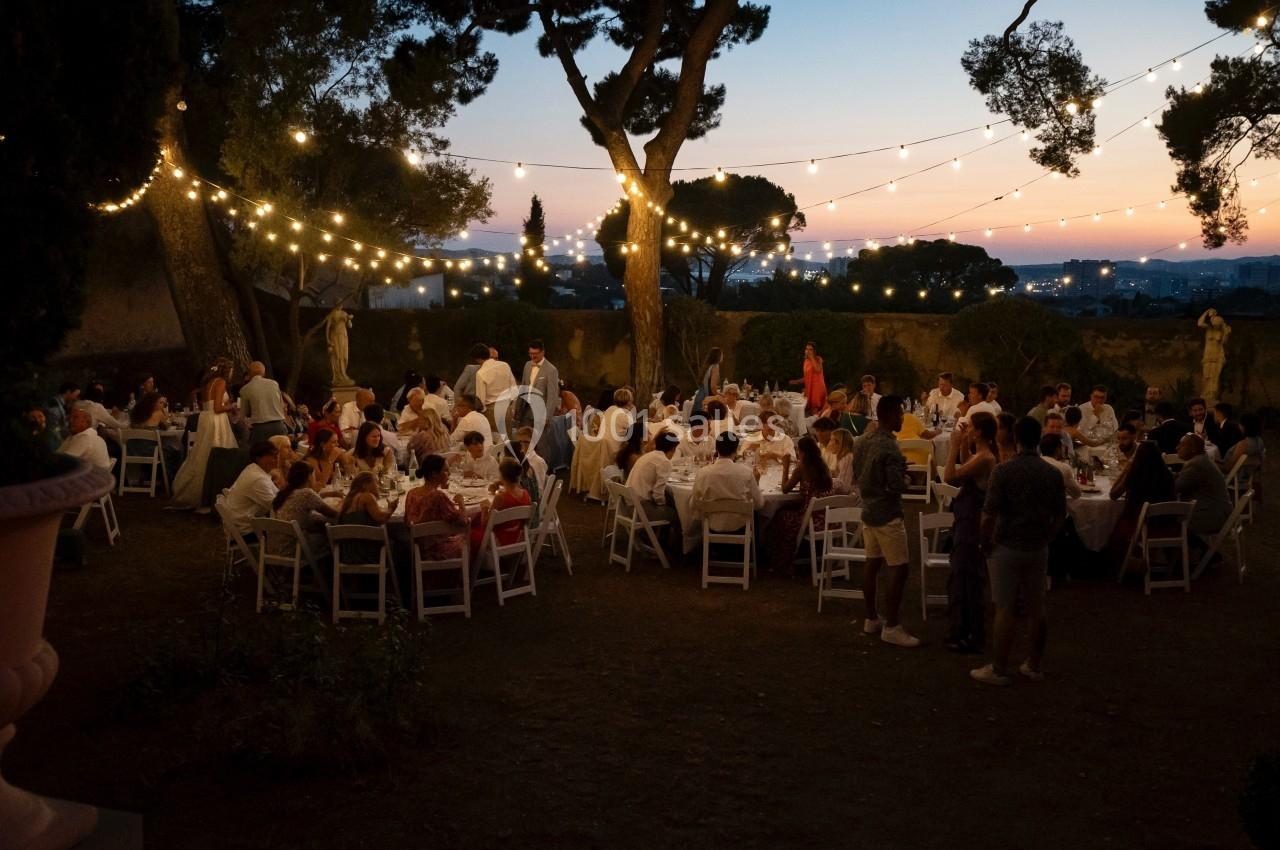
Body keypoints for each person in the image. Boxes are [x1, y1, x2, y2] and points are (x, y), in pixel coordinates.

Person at [971, 417, 1066, 686]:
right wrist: (1046, 537)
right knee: (1037, 607)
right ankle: (1034, 664)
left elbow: (988, 514)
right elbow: (1060, 515)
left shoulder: (1004, 471)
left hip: (1007, 545)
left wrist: (985, 541)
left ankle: (1000, 667)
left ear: (1015, 437)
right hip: (1037, 545)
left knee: (1004, 608)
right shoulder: (1052, 473)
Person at [850, 395, 919, 648]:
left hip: (868, 509)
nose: (903, 418)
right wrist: (908, 479)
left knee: (872, 564)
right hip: (888, 514)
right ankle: (892, 625)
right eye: (901, 414)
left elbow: (858, 472)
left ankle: (871, 618)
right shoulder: (889, 446)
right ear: (890, 415)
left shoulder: (862, 440)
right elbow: (896, 485)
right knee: (899, 568)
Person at [943, 412, 999, 654]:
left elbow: (951, 477)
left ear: (979, 431)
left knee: (966, 575)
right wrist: (965, 444)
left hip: (971, 521)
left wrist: (953, 447)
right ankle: (965, 629)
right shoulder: (982, 455)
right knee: (964, 573)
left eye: (971, 429)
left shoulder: (986, 458)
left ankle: (970, 632)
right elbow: (968, 466)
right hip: (967, 518)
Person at [171, 358, 240, 509]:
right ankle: (214, 491)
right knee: (218, 453)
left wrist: (225, 405)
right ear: (227, 370)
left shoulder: (208, 383)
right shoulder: (221, 382)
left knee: (202, 452)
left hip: (206, 418)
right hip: (216, 420)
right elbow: (217, 408)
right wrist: (232, 406)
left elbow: (209, 405)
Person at [766, 435, 835, 573]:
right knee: (784, 509)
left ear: (802, 452)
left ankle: (780, 560)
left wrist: (785, 466)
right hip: (828, 517)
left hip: (811, 520)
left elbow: (785, 489)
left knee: (778, 516)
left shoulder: (802, 468)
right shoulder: (823, 465)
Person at [1108, 441, 1176, 566]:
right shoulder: (1168, 476)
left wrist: (1127, 468)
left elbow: (1113, 494)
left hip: (1143, 525)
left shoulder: (1136, 474)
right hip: (1167, 526)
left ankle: (1132, 564)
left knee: (1111, 531)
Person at [691, 432, 764, 533]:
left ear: (716, 450)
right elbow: (759, 504)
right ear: (736, 451)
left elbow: (694, 504)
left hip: (711, 526)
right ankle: (754, 548)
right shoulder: (746, 473)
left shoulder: (703, 473)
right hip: (740, 526)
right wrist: (757, 482)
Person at [405, 454, 470, 563]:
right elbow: (463, 522)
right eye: (445, 471)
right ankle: (465, 577)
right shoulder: (438, 496)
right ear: (434, 474)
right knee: (469, 535)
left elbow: (407, 522)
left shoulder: (411, 493)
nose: (449, 474)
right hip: (438, 549)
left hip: (418, 547)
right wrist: (461, 503)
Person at [269, 460, 338, 555]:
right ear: (309, 477)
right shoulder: (306, 493)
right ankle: (334, 565)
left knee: (320, 524)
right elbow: (333, 514)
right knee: (332, 532)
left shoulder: (283, 494)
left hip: (276, 547)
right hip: (293, 549)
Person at [334, 471, 400, 564]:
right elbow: (381, 518)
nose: (378, 486)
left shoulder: (347, 500)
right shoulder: (366, 496)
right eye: (375, 483)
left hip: (347, 553)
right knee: (399, 543)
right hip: (365, 552)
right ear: (366, 484)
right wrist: (391, 508)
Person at [1175, 433, 1232, 536]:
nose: (1177, 448)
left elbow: (1176, 487)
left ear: (1193, 449)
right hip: (1217, 511)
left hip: (1211, 515)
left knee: (1168, 517)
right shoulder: (1201, 459)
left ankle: (1186, 549)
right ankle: (1193, 548)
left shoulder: (1196, 464)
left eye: (1181, 445)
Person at [221, 442, 280, 537]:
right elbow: (276, 506)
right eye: (272, 456)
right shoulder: (258, 479)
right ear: (258, 459)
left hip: (240, 521)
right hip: (246, 529)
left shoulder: (252, 468)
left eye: (276, 455)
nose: (276, 459)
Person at [474, 459, 532, 552]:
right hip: (517, 537)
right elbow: (525, 522)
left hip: (499, 540)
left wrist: (485, 508)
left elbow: (485, 525)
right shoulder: (526, 494)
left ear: (501, 476)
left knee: (471, 530)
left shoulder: (500, 498)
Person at [626, 431, 680, 527]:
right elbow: (658, 494)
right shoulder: (664, 461)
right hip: (641, 508)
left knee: (670, 502)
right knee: (678, 513)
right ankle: (668, 541)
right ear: (673, 449)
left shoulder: (648, 455)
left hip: (629, 503)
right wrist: (663, 504)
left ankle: (657, 538)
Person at [239, 361, 288, 444]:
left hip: (260, 429)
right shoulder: (274, 384)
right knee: (280, 455)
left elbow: (243, 414)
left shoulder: (245, 389)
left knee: (260, 455)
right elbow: (282, 405)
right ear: (264, 372)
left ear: (249, 373)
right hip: (278, 426)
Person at [1221, 412, 1265, 499]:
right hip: (1246, 477)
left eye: (1240, 423)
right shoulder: (1260, 441)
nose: (1239, 425)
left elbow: (1228, 468)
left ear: (1245, 426)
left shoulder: (1243, 444)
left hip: (1234, 478)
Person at [520, 338, 560, 427]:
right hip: (525, 411)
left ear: (542, 352)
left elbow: (552, 397)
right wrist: (518, 411)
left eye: (535, 354)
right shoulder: (527, 365)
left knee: (538, 440)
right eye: (530, 353)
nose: (532, 356)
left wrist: (547, 417)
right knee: (523, 439)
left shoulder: (551, 370)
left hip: (540, 414)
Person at [476, 347, 518, 428]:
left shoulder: (481, 372)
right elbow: (515, 390)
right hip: (506, 409)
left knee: (494, 439)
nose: (495, 360)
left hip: (492, 411)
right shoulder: (505, 365)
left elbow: (480, 400)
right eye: (492, 358)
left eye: (496, 358)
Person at [1039, 434, 1082, 499]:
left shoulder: (1033, 463)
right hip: (1054, 507)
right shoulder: (1063, 468)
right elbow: (1076, 494)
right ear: (1058, 449)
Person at [790, 341, 827, 415]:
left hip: (817, 388)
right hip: (810, 388)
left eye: (811, 349)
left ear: (814, 351)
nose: (808, 351)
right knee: (809, 411)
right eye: (807, 349)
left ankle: (815, 425)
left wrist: (811, 357)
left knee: (815, 411)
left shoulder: (818, 359)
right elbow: (808, 377)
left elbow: (818, 369)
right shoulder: (806, 361)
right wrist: (797, 381)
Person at [455, 344, 489, 412]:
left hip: (485, 408)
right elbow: (458, 388)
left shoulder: (493, 371)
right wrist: (458, 406)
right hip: (469, 407)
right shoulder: (471, 369)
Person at [691, 347, 723, 416]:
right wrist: (720, 395)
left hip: (700, 396)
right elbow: (713, 387)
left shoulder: (707, 366)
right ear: (718, 356)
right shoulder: (715, 366)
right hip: (707, 399)